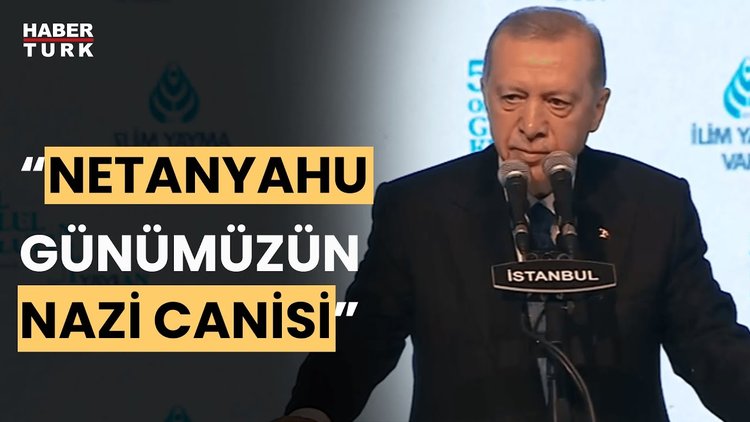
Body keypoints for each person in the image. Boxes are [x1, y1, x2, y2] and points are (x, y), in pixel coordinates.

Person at [277, 6, 750, 422]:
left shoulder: (654, 206)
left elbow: (710, 345)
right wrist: (311, 413)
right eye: (511, 98)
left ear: (597, 109)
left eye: (557, 102)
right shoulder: (418, 210)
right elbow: (361, 338)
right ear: (485, 93)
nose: (530, 125)